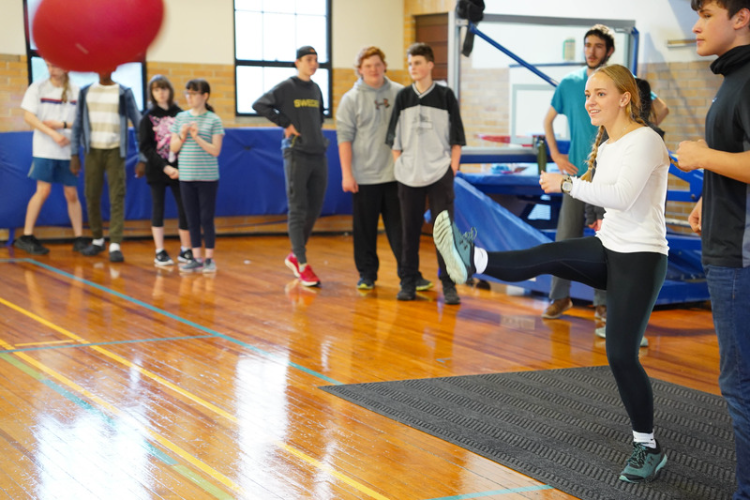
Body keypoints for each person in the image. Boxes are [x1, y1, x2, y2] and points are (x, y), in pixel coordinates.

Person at [435, 65, 671, 482]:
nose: (589, 102)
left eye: (599, 94)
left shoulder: (647, 139)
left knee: (620, 355)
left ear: (624, 97)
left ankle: (647, 445)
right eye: (587, 95)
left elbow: (622, 195)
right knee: (547, 254)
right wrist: (589, 204)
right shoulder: (612, 143)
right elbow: (614, 200)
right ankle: (474, 262)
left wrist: (567, 184)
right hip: (609, 246)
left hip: (640, 257)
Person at [676, 1, 750, 497]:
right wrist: (709, 190)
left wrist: (701, 157)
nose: (697, 26)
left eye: (706, 14)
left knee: (741, 385)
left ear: (742, 17)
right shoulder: (733, 79)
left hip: (738, 257)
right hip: (729, 241)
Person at [336, 46, 432, 292]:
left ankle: (410, 275)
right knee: (365, 230)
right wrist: (347, 174)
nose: (374, 70)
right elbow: (344, 138)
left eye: (377, 65)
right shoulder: (350, 99)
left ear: (384, 66)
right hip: (364, 176)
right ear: (360, 70)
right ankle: (367, 274)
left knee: (402, 230)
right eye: (368, 66)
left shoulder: (401, 93)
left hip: (397, 175)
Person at [385, 42, 466, 304]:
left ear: (430, 65)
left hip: (440, 172)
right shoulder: (403, 97)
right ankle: (407, 282)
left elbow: (457, 138)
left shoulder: (445, 95)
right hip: (409, 175)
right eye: (410, 64)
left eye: (417, 63)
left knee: (444, 231)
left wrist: (451, 168)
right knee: (409, 231)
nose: (413, 68)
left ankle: (449, 284)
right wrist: (401, 164)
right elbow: (394, 139)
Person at [253, 46, 329, 287]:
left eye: (316, 60)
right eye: (309, 59)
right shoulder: (287, 87)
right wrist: (285, 123)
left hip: (318, 152)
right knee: (298, 208)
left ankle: (296, 254)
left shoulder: (316, 88)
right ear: (297, 62)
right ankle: (303, 263)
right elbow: (260, 104)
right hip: (296, 152)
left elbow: (319, 116)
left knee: (314, 208)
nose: (313, 64)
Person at [14, 61, 87, 255]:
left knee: (72, 194)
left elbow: (83, 121)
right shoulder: (38, 87)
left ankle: (79, 238)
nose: (51, 69)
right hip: (45, 149)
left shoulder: (76, 91)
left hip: (68, 150)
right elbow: (29, 117)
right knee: (43, 190)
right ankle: (27, 236)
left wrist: (63, 125)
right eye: (48, 65)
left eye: (55, 65)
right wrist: (53, 133)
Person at [70, 71, 141, 263]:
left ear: (114, 67)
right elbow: (77, 125)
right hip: (92, 150)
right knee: (91, 194)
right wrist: (74, 153)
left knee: (117, 195)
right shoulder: (86, 92)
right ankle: (98, 239)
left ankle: (115, 244)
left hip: (115, 150)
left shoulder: (123, 92)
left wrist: (143, 157)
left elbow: (138, 122)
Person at [169, 79, 224, 274]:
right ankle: (196, 257)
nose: (189, 97)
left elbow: (216, 150)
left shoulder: (214, 120)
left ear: (204, 96)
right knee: (191, 218)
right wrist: (183, 135)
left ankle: (209, 258)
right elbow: (173, 148)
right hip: (187, 177)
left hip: (207, 177)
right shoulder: (181, 118)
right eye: (187, 93)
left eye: (194, 93)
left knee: (206, 218)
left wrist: (197, 136)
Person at [137, 75, 192, 267]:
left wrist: (178, 167)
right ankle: (160, 250)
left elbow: (187, 141)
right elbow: (146, 147)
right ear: (152, 93)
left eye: (164, 89)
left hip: (179, 169)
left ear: (170, 90)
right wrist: (165, 167)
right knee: (158, 208)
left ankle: (186, 249)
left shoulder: (181, 115)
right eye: (156, 90)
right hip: (158, 170)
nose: (161, 93)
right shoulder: (147, 117)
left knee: (184, 207)